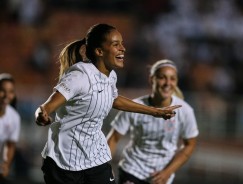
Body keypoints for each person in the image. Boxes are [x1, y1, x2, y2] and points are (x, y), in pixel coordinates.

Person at [34, 24, 181, 184]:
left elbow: (113, 99)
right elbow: (47, 106)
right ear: (99, 51)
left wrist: (155, 112)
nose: (123, 48)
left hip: (95, 157)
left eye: (122, 43)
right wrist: (42, 114)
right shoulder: (79, 77)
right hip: (64, 161)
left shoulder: (110, 76)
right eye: (116, 44)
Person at [107, 59, 199, 184]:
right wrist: (105, 167)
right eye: (162, 77)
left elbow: (190, 144)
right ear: (152, 79)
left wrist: (168, 172)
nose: (167, 83)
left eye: (172, 79)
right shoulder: (134, 106)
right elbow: (113, 138)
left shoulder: (185, 111)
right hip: (132, 170)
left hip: (161, 177)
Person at [0, 73, 21, 183]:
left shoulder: (14, 117)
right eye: (2, 90)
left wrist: (6, 164)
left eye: (11, 91)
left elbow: (10, 144)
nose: (6, 95)